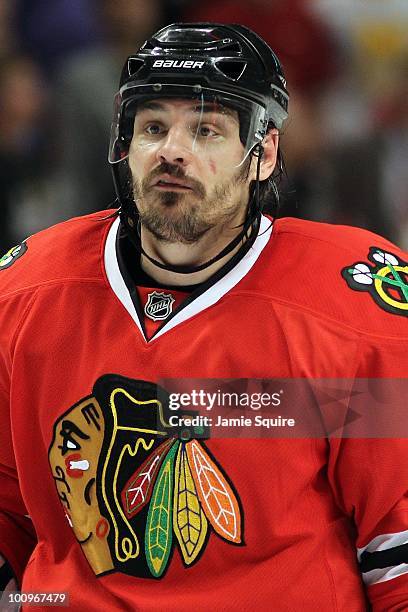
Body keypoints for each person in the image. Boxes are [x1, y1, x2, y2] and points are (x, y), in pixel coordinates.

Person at [0, 22, 407, 611]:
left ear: (263, 153)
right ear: (125, 146)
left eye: (207, 130)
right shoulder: (26, 292)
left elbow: (396, 546)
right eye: (153, 127)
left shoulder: (352, 311)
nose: (172, 150)